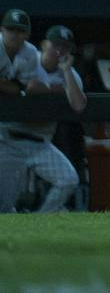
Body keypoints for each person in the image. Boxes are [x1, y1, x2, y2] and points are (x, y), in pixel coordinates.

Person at [0, 25, 85, 213]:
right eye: (56, 45)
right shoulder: (29, 59)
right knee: (4, 207)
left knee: (68, 179)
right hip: (9, 140)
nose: (60, 51)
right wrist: (57, 90)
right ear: (44, 44)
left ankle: (42, 219)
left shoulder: (70, 74)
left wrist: (67, 73)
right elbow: (30, 87)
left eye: (65, 47)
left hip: (40, 143)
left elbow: (79, 105)